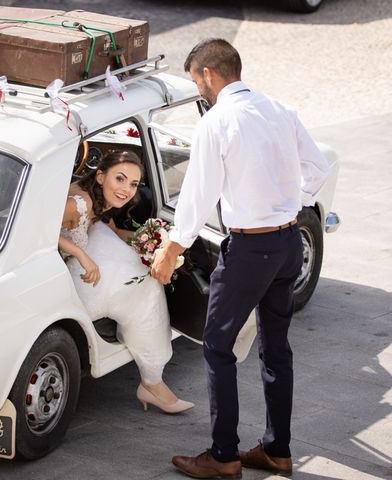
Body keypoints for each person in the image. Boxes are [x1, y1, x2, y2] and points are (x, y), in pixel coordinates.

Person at [151, 38, 330, 478]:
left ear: (209, 74)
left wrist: (172, 248)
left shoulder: (217, 122)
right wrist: (287, 203)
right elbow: (318, 170)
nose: (199, 92)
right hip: (288, 243)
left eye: (197, 82)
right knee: (276, 349)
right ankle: (276, 451)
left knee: (217, 346)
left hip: (251, 250)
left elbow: (197, 194)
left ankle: (224, 455)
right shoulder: (280, 110)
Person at [60, 150, 194, 414]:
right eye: (119, 179)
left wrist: (162, 244)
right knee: (144, 289)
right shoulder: (79, 202)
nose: (126, 190)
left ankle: (153, 379)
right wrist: (80, 254)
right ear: (100, 176)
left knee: (140, 269)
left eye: (133, 184)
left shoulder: (103, 199)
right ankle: (152, 381)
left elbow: (111, 231)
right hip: (66, 269)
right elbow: (36, 230)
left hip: (86, 250)